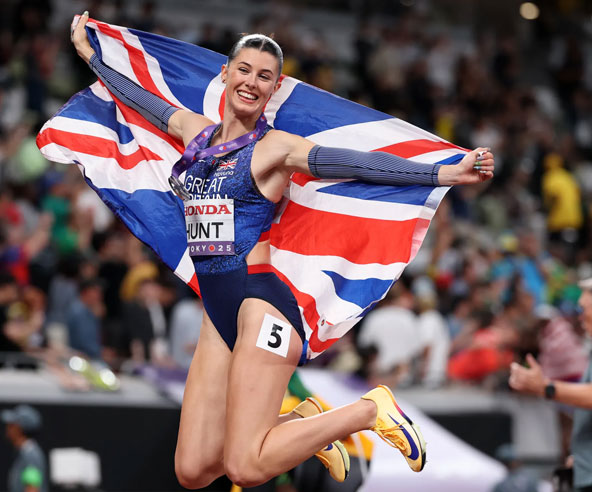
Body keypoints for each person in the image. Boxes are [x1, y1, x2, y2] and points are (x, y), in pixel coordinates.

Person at [72, 12, 494, 488]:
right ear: (226, 74)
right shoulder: (196, 134)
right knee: (193, 470)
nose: (251, 82)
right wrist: (92, 58)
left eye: (264, 76)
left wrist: (443, 173)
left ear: (274, 88)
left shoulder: (274, 149)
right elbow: (141, 100)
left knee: (246, 467)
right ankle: (305, 420)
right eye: (244, 70)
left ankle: (367, 410)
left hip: (261, 305)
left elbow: (355, 164)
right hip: (218, 312)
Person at [509, 277, 592, 492]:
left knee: (566, 421)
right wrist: (581, 456)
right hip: (584, 470)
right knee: (566, 423)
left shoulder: (558, 336)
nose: (579, 316)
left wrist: (545, 387)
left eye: (584, 309)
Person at [0, 404, 47, 492]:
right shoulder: (25, 453)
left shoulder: (31, 455)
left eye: (11, 425)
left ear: (19, 428)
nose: (7, 428)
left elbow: (32, 488)